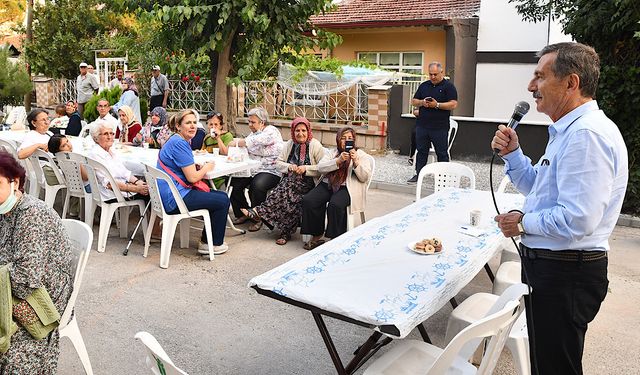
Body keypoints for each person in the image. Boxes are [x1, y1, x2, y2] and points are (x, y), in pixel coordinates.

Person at [491, 42, 628, 375]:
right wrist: (513, 154)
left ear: (571, 83)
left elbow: (577, 219)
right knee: (548, 361)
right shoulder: (568, 132)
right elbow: (539, 186)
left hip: (565, 273)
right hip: (557, 269)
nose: (530, 86)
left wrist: (523, 223)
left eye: (540, 76)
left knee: (555, 367)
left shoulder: (586, 136)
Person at [0, 150, 74, 373]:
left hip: (42, 299)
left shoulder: (31, 214)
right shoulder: (7, 210)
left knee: (13, 352)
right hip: (18, 286)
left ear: (15, 182)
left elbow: (26, 279)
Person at [240, 117, 324, 245]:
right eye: (297, 130)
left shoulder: (315, 145)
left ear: (308, 131)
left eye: (303, 130)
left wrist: (305, 169)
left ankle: (259, 212)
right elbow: (278, 163)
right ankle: (285, 232)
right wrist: (289, 167)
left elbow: (323, 168)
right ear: (293, 131)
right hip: (290, 182)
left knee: (286, 189)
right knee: (289, 194)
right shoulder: (290, 144)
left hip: (309, 183)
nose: (300, 134)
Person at [157, 110, 230, 255]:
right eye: (188, 123)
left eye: (194, 122)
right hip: (175, 198)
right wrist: (207, 167)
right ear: (178, 126)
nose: (192, 126)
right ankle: (212, 244)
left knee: (217, 195)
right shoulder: (180, 143)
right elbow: (192, 178)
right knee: (222, 200)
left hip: (169, 195)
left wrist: (197, 168)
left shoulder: (175, 140)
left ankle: (207, 240)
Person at [301, 127, 372, 250]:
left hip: (347, 187)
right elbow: (321, 168)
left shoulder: (361, 155)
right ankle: (316, 234)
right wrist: (337, 161)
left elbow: (364, 177)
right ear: (338, 140)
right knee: (309, 200)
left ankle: (336, 238)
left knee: (335, 205)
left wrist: (356, 162)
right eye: (343, 138)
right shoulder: (332, 153)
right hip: (328, 184)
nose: (346, 141)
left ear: (354, 140)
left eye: (350, 138)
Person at [227, 107, 283, 232]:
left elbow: (255, 142)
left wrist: (239, 142)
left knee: (257, 185)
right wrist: (250, 146)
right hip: (252, 169)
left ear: (262, 122)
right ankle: (242, 213)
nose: (250, 125)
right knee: (234, 183)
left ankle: (258, 217)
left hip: (271, 170)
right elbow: (254, 148)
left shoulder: (271, 130)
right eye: (249, 122)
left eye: (253, 122)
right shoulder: (254, 133)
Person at [407, 61, 458, 183]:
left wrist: (437, 105)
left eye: (435, 74)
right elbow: (413, 101)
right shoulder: (424, 85)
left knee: (442, 153)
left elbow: (453, 104)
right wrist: (422, 103)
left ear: (441, 73)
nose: (433, 77)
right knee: (421, 151)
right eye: (430, 74)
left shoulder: (449, 87)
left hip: (439, 127)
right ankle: (419, 174)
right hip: (423, 125)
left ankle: (444, 177)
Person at [88, 121, 150, 202]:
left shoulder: (111, 151)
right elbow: (109, 184)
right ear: (96, 137)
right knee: (152, 194)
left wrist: (137, 181)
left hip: (120, 189)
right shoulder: (96, 154)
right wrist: (136, 189)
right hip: (111, 194)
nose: (109, 137)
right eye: (105, 134)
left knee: (149, 188)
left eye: (111, 133)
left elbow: (124, 173)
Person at [201, 111, 233, 189]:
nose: (213, 127)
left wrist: (218, 138)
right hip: (208, 171)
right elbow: (202, 153)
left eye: (216, 124)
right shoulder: (207, 138)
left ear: (221, 126)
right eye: (210, 124)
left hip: (222, 173)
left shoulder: (227, 136)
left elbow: (225, 153)